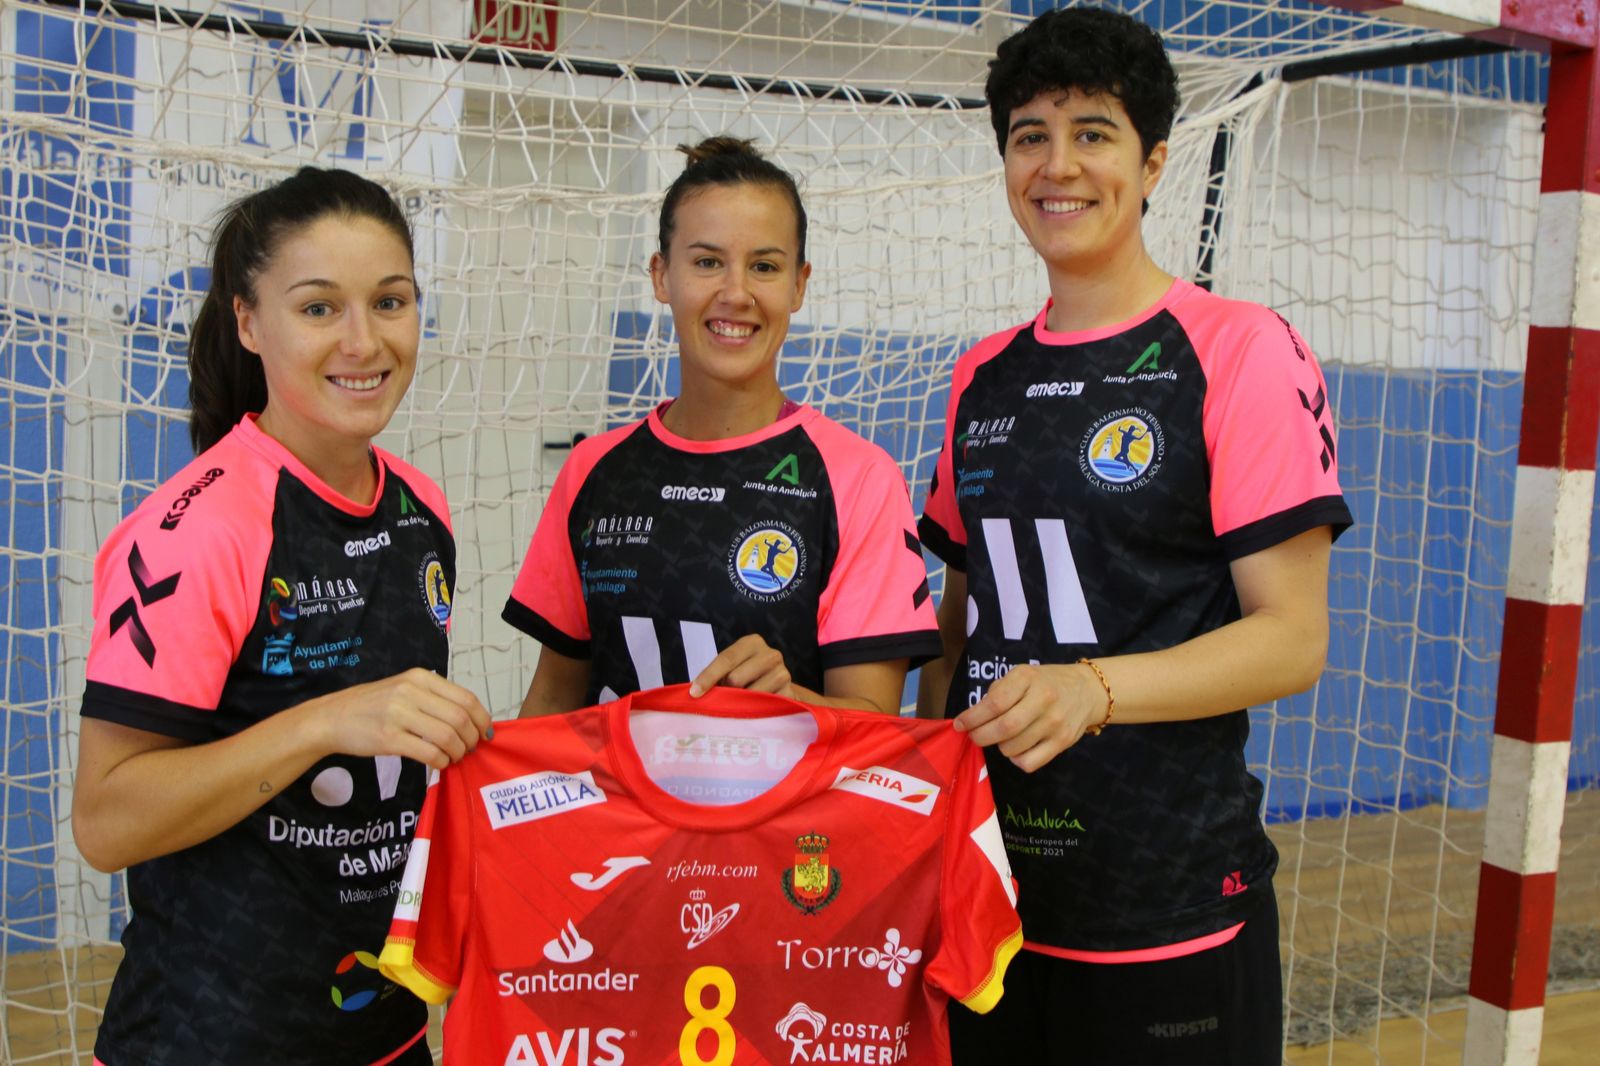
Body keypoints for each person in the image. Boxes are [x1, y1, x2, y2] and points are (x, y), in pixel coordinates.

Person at [916, 8, 1352, 1064]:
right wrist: (917, 787)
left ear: (1153, 159)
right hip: (998, 904)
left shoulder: (1238, 348)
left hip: (1169, 912)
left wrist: (1090, 686)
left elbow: (1291, 638)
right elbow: (961, 622)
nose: (1057, 165)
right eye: (1030, 134)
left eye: (1092, 132)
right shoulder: (981, 374)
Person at [72, 166, 493, 1066]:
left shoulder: (422, 509)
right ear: (248, 322)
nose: (363, 340)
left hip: (383, 1034)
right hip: (207, 1039)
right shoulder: (196, 532)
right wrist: (323, 722)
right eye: (317, 308)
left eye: (390, 301)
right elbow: (107, 821)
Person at [505, 136, 941, 717]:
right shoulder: (594, 470)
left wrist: (792, 702)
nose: (735, 294)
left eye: (764, 266)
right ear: (661, 276)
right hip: (612, 809)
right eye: (707, 262)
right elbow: (554, 699)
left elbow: (875, 724)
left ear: (799, 284)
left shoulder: (858, 479)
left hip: (787, 810)